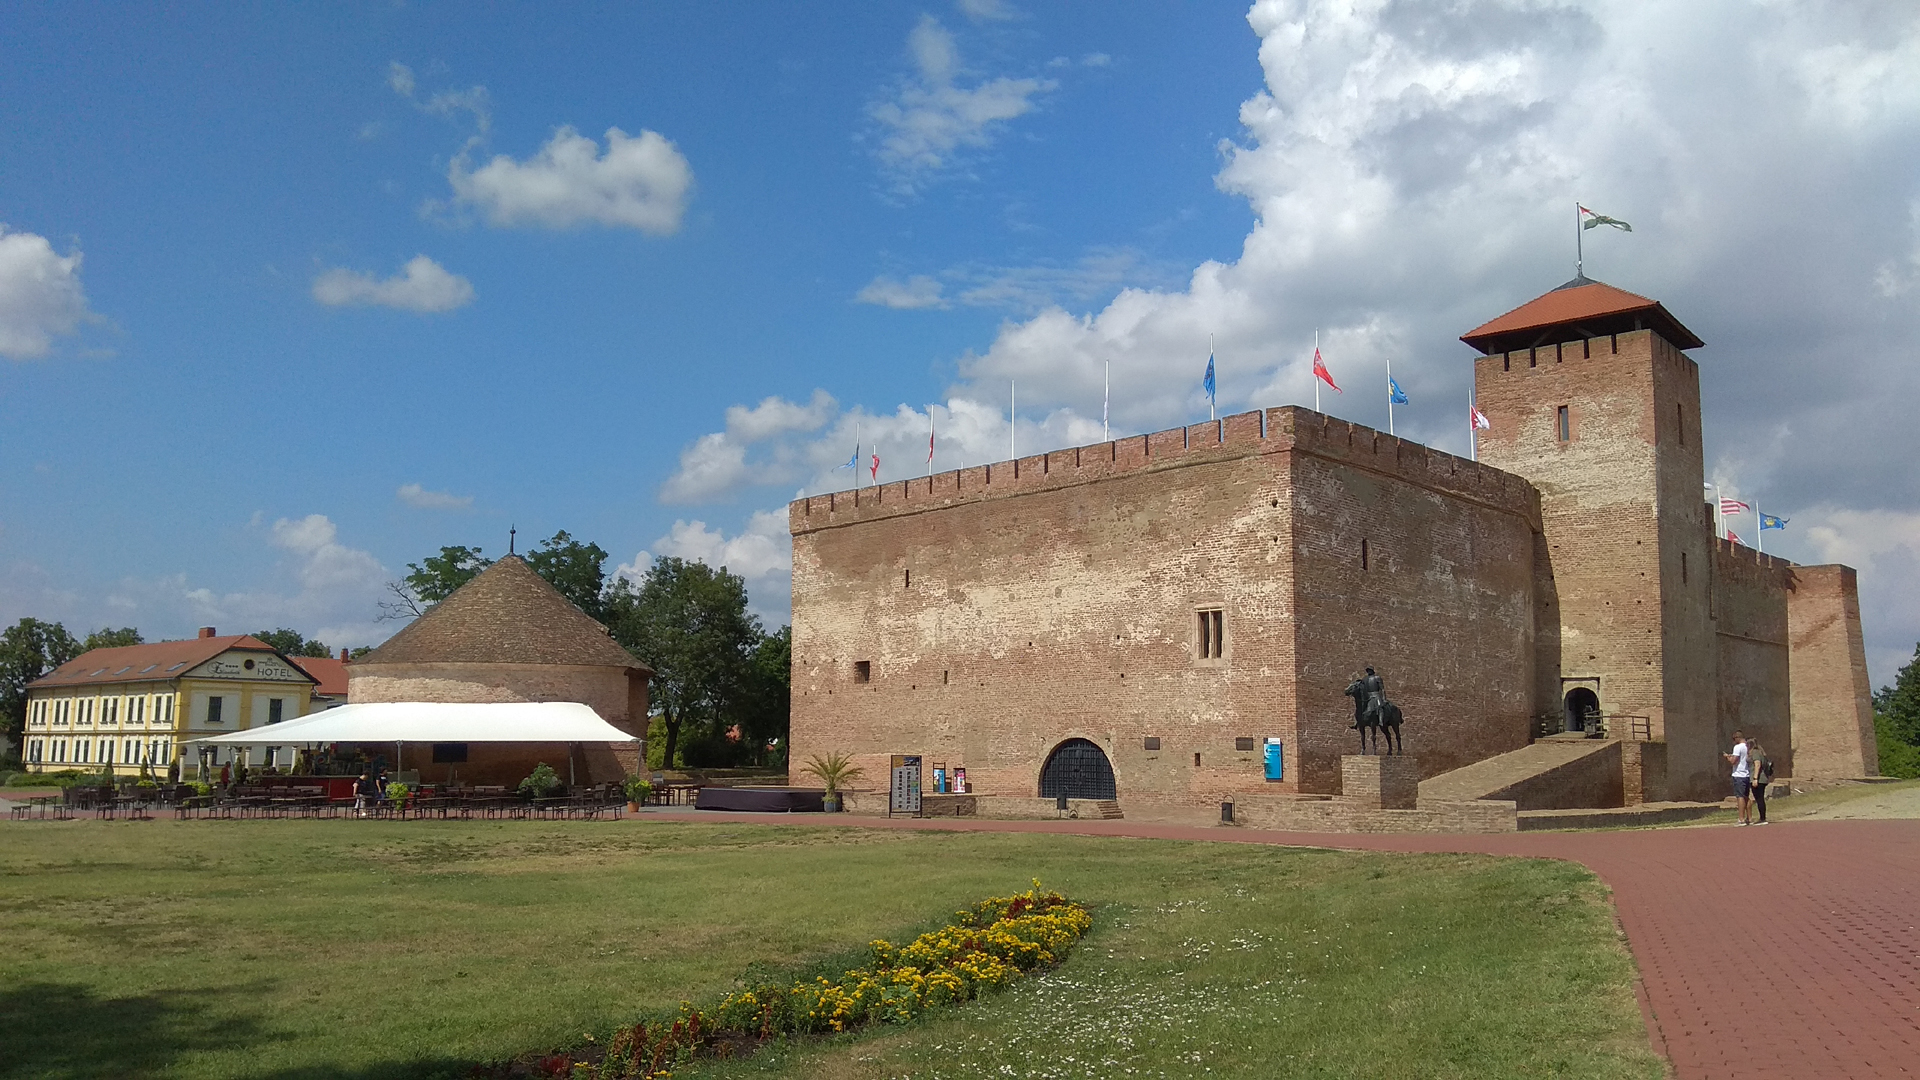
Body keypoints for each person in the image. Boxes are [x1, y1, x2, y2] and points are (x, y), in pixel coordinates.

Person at [1723, 730, 1754, 825]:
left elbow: (1734, 761)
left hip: (1739, 774)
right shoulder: (1747, 746)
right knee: (1746, 797)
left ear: (1737, 738)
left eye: (1734, 739)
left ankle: (1741, 819)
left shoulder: (1737, 747)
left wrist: (1728, 757)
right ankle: (1749, 818)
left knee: (1740, 797)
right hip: (1746, 774)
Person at [1748, 739, 1774, 824]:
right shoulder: (1761, 753)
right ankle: (1762, 817)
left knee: (1759, 798)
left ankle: (1762, 818)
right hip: (1762, 779)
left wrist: (1755, 778)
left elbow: (1757, 764)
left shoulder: (1755, 752)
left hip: (1759, 779)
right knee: (1760, 798)